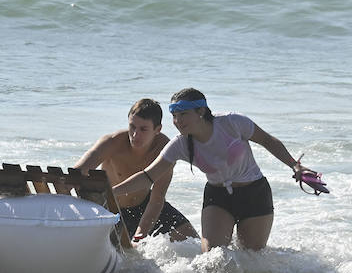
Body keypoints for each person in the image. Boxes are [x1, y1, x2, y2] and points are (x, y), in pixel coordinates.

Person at [113, 88, 311, 252]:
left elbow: (268, 141)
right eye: (174, 116)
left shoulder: (232, 122)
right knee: (212, 259)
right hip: (218, 197)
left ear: (200, 111)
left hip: (254, 193)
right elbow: (148, 176)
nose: (177, 121)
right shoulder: (180, 144)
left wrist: (295, 165)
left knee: (252, 259)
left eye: (183, 114)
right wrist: (112, 191)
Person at [74, 98, 198, 241]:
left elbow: (157, 199)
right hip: (110, 208)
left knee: (192, 241)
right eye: (132, 127)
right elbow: (78, 171)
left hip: (144, 205)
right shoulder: (112, 142)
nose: (135, 134)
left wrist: (141, 232)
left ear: (157, 129)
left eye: (143, 129)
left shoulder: (165, 149)